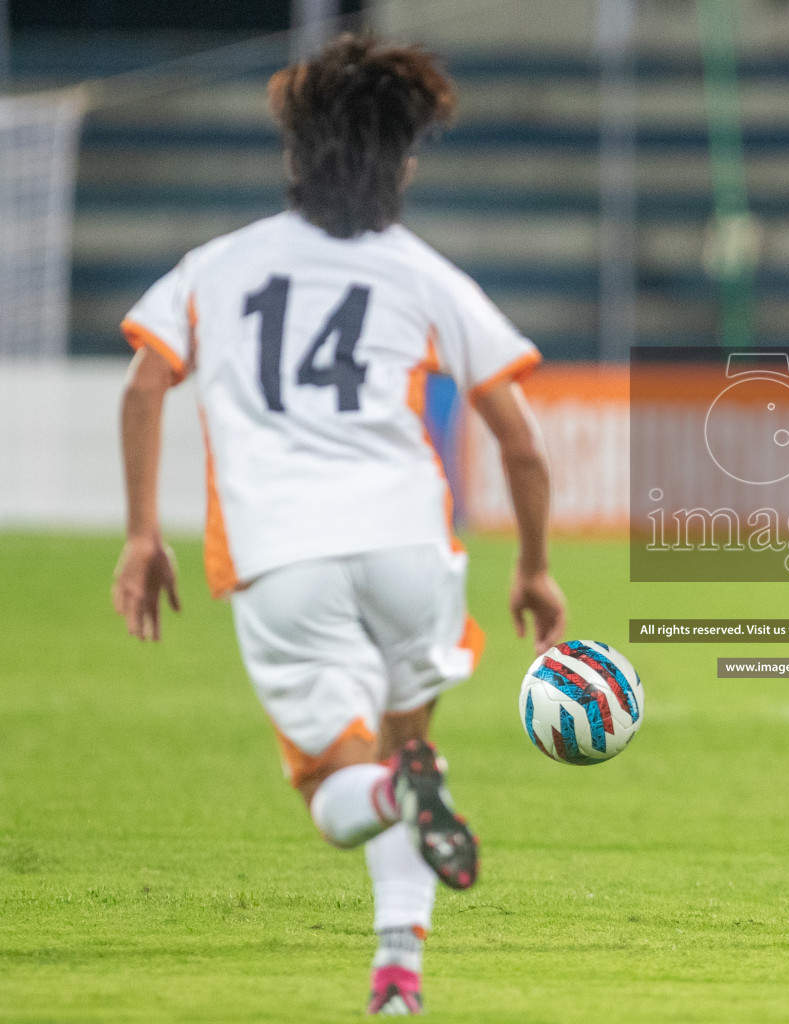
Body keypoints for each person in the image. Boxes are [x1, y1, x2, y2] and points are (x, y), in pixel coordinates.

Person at [110, 35, 566, 1014]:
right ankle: (397, 975)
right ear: (402, 164)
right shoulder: (426, 275)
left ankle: (400, 817)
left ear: (293, 155)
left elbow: (146, 383)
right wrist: (532, 565)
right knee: (409, 746)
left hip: (284, 557)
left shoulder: (215, 268)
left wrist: (143, 533)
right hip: (412, 547)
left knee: (339, 794)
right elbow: (522, 445)